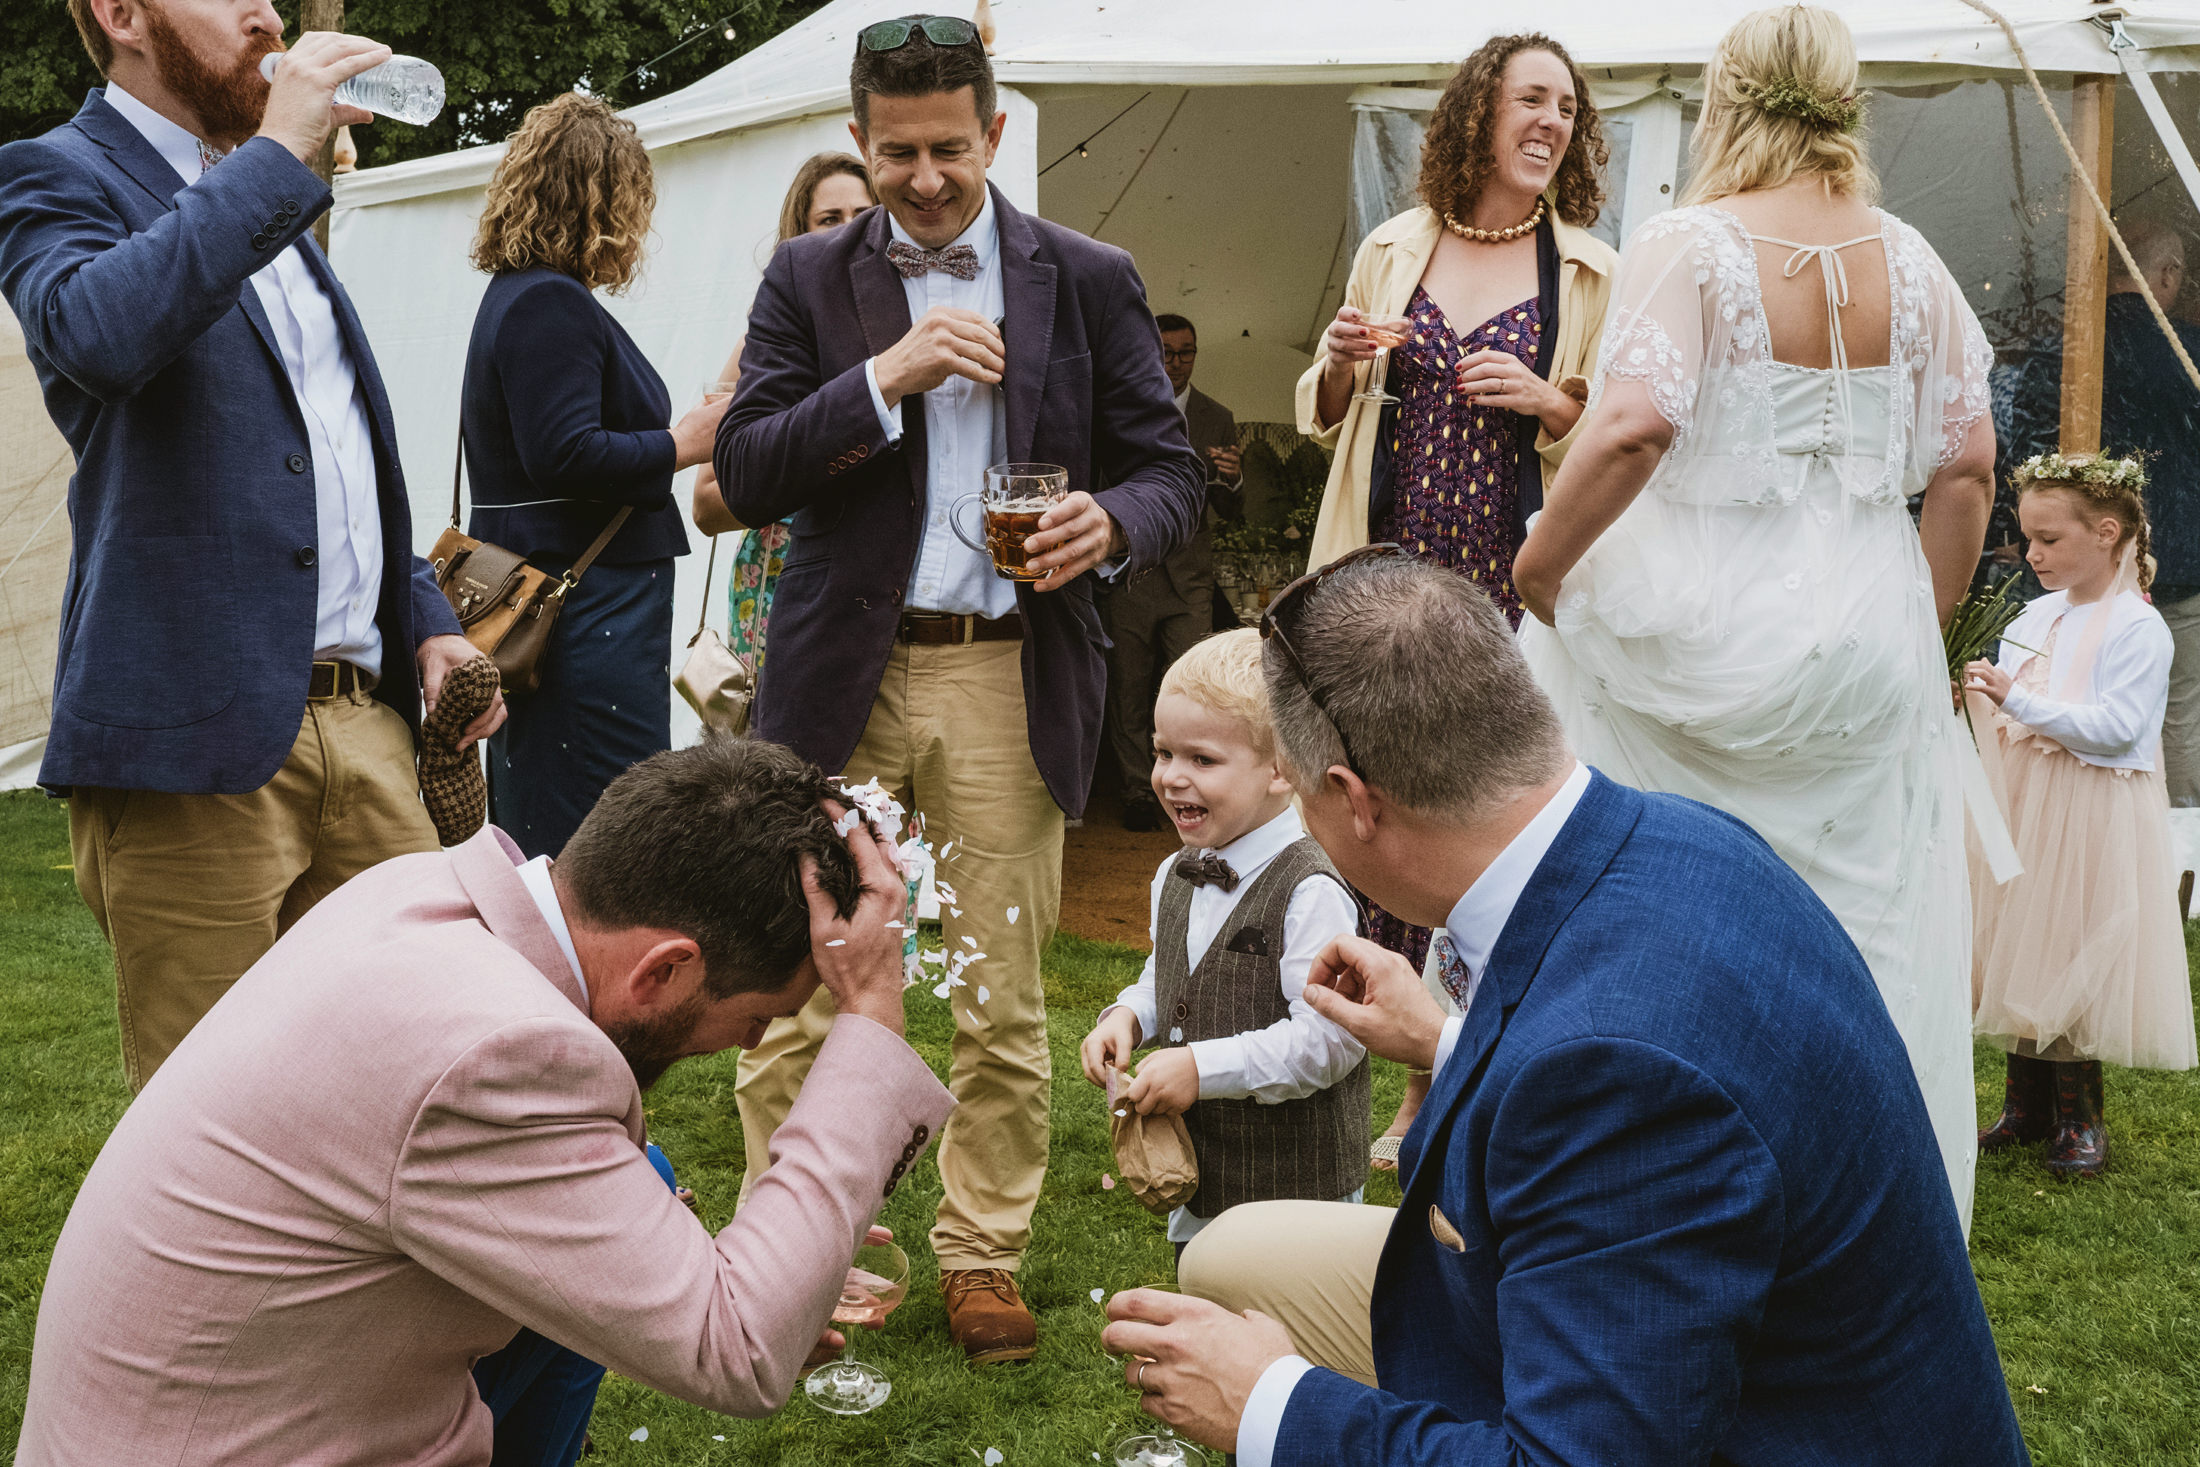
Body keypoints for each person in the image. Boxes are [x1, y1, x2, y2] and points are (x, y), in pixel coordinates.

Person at [1099, 550, 2031, 1467]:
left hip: (1763, 1429)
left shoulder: (1616, 1079)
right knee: (1234, 1254)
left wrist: (1272, 1402)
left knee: (1261, 1336)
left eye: (1303, 799)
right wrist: (1442, 1037)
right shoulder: (1679, 832)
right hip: (1707, 1348)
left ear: (1350, 798)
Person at [14, 737, 955, 1464]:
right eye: (758, 1018)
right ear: (668, 969)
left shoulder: (428, 889)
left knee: (649, 1176)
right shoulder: (500, 1052)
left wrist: (764, 1251)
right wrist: (871, 1010)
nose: (748, 1045)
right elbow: (742, 1346)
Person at [709, 13, 1205, 1364]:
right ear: (861, 141)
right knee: (806, 980)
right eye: (895, 153)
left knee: (994, 985)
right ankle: (807, 1261)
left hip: (1007, 670)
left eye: (948, 147)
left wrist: (1110, 521)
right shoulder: (809, 279)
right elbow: (745, 471)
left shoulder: (1086, 275)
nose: (923, 177)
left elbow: (1171, 471)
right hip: (837, 679)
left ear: (995, 132)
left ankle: (983, 1253)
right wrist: (887, 374)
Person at [1510, 3, 1997, 1223]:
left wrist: (1542, 571)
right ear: (1848, 102)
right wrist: (1918, 629)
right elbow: (1970, 465)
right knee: (1868, 930)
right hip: (1867, 631)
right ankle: (1872, 1212)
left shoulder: (1691, 244)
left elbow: (1629, 425)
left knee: (1667, 918)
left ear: (1729, 96)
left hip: (1702, 624)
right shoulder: (1915, 262)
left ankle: (1660, 1192)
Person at [0, 0, 503, 1091]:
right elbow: (99, 332)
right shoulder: (52, 173)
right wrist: (279, 151)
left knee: (426, 1084)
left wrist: (426, 625)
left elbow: (325, 453)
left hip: (367, 734)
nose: (267, 9)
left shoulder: (272, 200)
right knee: (216, 1128)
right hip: (197, 751)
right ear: (122, 14)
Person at [1295, 33, 1618, 1161]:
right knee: (1375, 806)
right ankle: (1335, 1044)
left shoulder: (1587, 269)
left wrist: (1547, 400)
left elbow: (1630, 437)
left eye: (1567, 109)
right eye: (1532, 99)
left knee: (1481, 820)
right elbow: (1326, 403)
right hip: (1389, 566)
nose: (1551, 123)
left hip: (1508, 583)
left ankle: (1439, 1079)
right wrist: (1336, 361)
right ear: (1479, 112)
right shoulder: (1395, 247)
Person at [463, 93, 725, 860]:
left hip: (568, 609)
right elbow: (565, 453)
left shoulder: (523, 296)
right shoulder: (549, 301)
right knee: (598, 842)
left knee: (557, 820)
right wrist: (682, 443)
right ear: (604, 198)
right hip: (585, 615)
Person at [1078, 629, 1367, 1257]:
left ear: (1281, 771)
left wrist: (1201, 1069)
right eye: (1162, 753)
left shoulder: (1310, 889)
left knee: (1288, 1342)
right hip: (1204, 1177)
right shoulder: (1174, 872)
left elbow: (1330, 1041)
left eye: (1202, 760)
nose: (1171, 778)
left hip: (1298, 1197)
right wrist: (1129, 1015)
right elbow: (1170, 972)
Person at [1964, 452, 2199, 1178]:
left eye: (2049, 539)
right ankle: (2025, 1104)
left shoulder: (2137, 626)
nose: (2030, 553)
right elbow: (2009, 703)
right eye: (2026, 536)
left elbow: (2118, 729)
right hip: (2029, 800)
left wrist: (2015, 699)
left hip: (2091, 809)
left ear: (2106, 533)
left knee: (2072, 946)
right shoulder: (2034, 612)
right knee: (2020, 938)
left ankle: (2078, 1116)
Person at [2000, 221, 2200, 805]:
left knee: (2068, 696)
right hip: (2185, 557)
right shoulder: (2188, 348)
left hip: (2079, 561)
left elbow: (2025, 447)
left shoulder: (2058, 349)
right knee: (2179, 717)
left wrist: (2038, 533)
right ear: (2164, 275)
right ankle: (2182, 855)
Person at [691, 152, 879, 674]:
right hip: (781, 580)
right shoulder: (763, 341)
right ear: (797, 236)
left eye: (865, 216)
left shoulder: (906, 334)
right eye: (828, 219)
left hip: (880, 589)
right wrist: (816, 456)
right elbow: (707, 503)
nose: (849, 231)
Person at [1104, 314, 1244, 831]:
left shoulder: (1218, 415)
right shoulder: (1119, 409)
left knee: (1195, 691)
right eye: (1166, 351)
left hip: (1189, 580)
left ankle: (1195, 794)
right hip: (1133, 576)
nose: (1176, 362)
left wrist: (1232, 480)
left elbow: (1232, 513)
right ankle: (1138, 790)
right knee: (1130, 688)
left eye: (1186, 352)